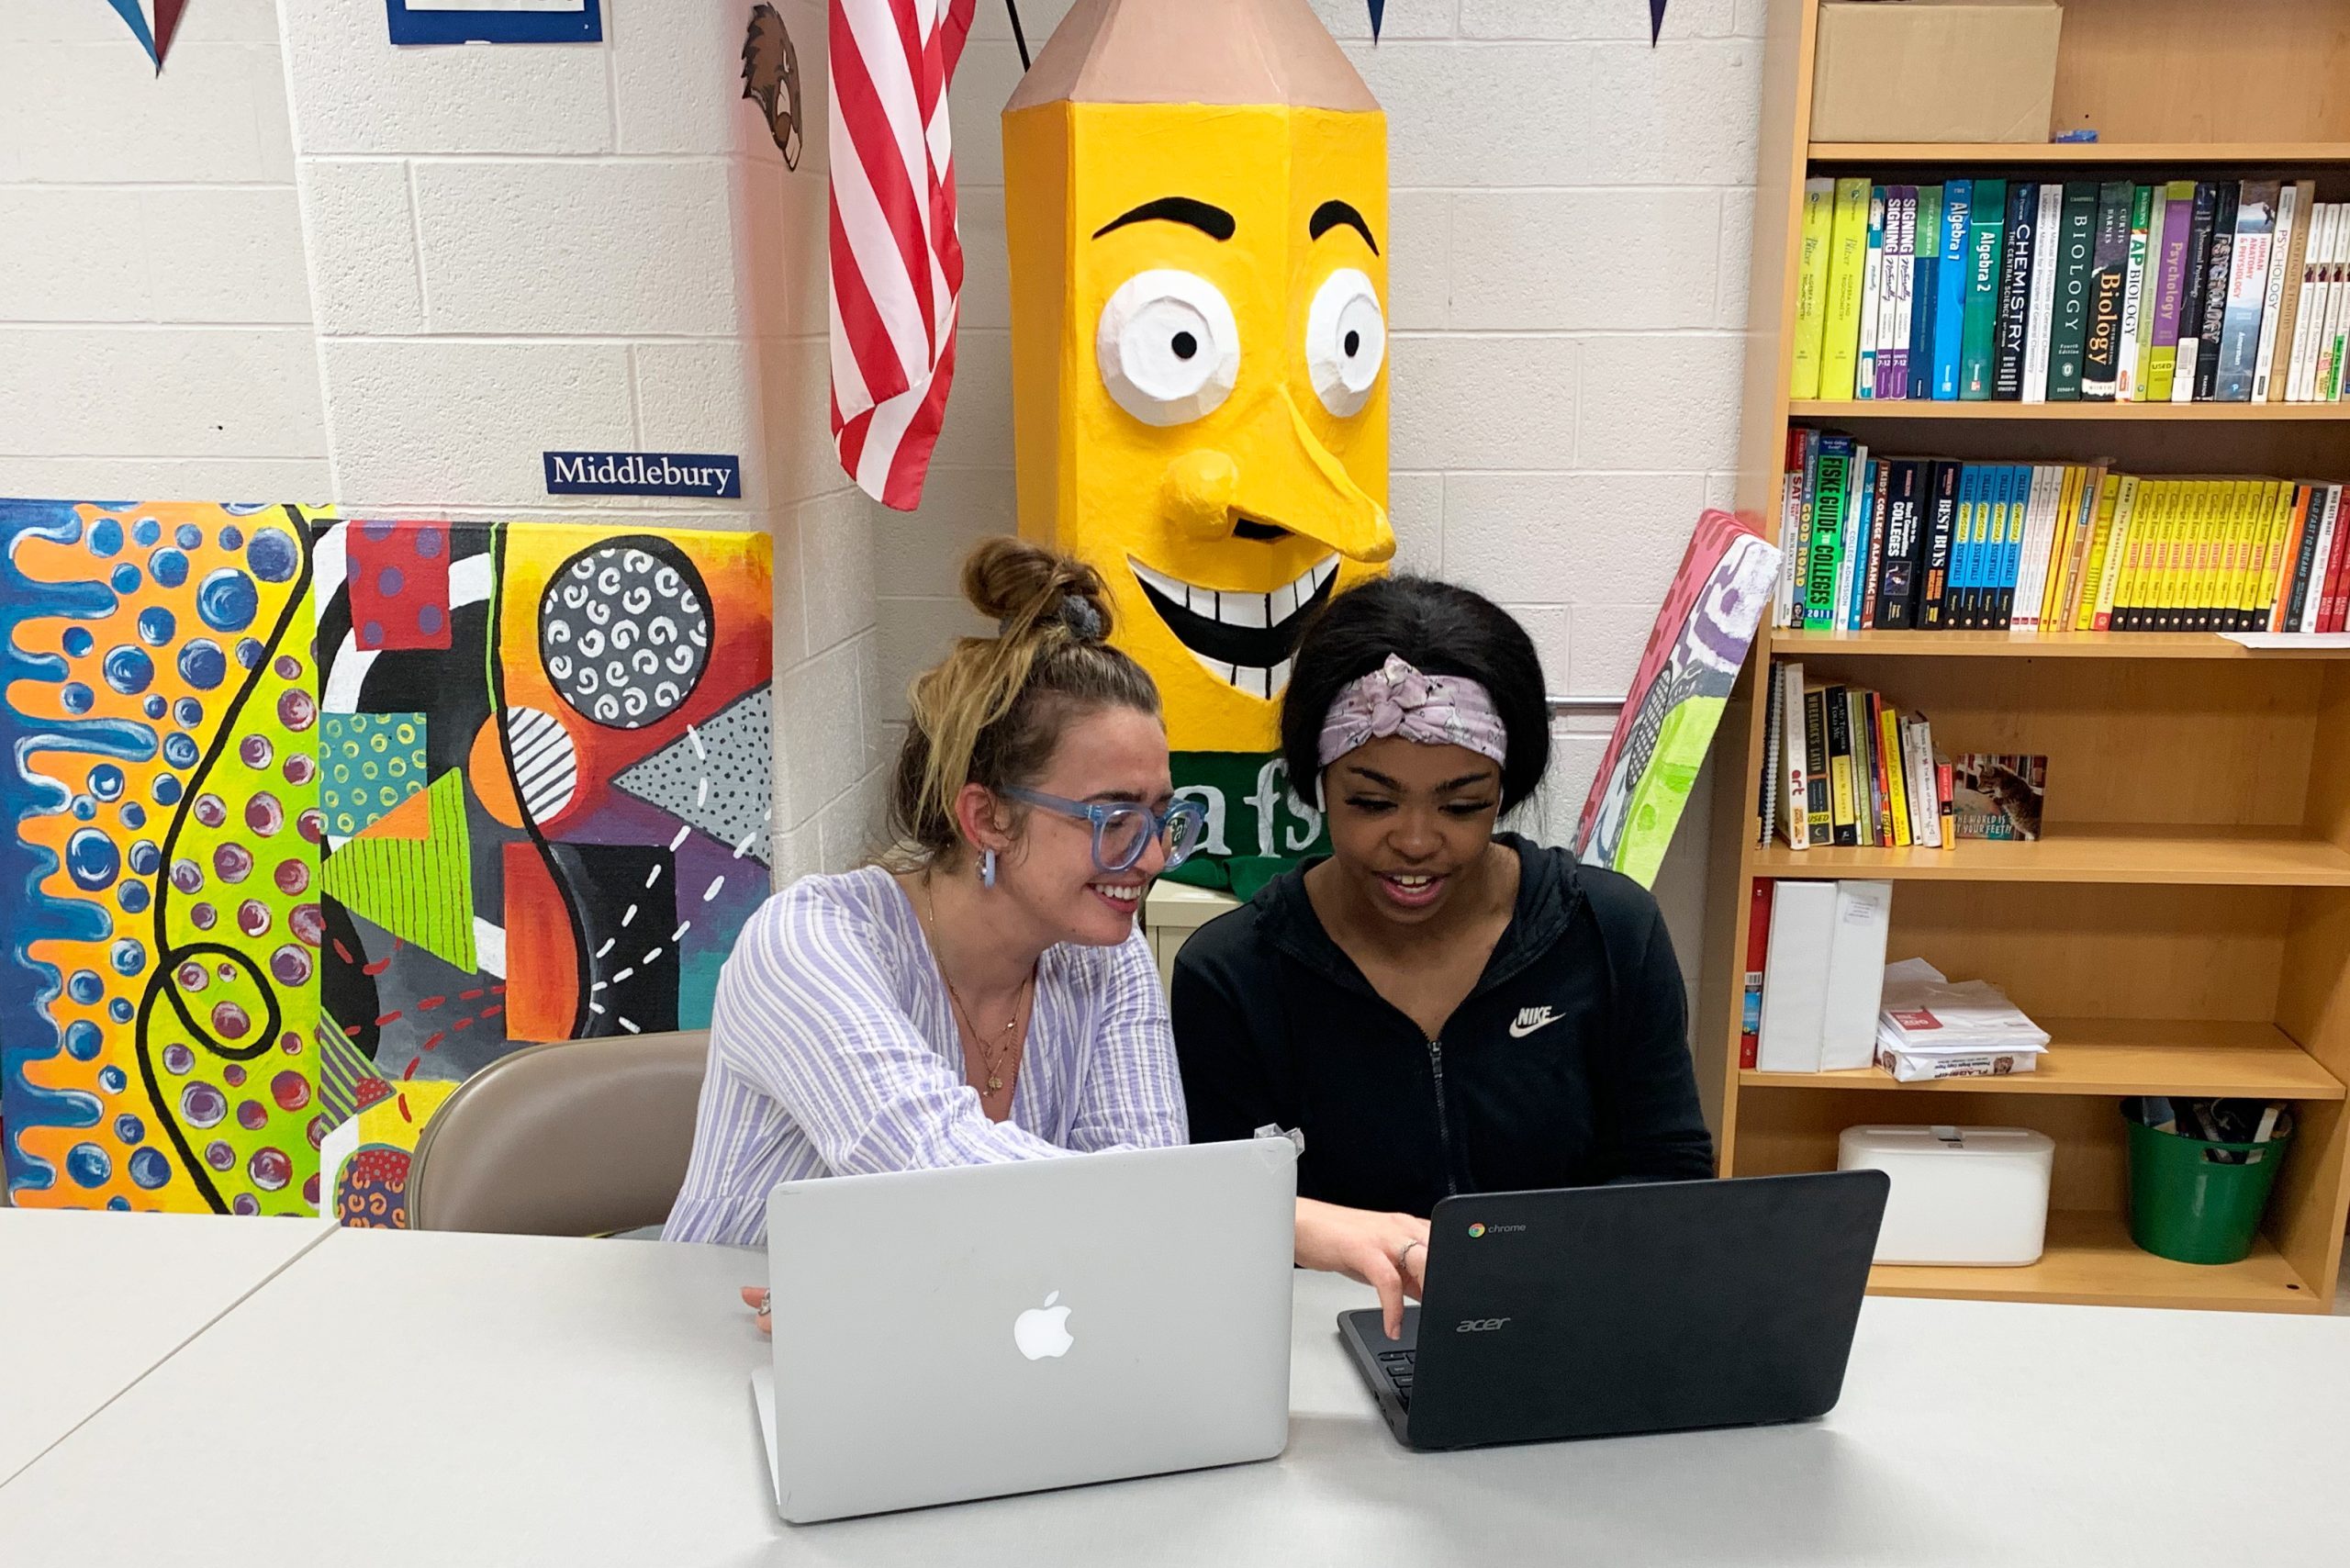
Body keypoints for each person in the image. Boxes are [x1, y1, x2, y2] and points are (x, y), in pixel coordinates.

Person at [663, 540, 1209, 1330]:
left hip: (932, 1343)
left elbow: (1144, 1204)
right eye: (1113, 818)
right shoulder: (808, 942)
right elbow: (931, 1160)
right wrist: (1283, 1221)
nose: (1153, 855)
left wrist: (897, 1290)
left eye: (1162, 816)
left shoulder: (1107, 957)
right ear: (986, 817)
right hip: (720, 1354)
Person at [1170, 575, 1715, 1338]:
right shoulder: (1233, 974)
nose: (1418, 842)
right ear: (1317, 784)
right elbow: (1213, 1221)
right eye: (1372, 802)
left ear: (1507, 789)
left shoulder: (1610, 931)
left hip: (1573, 1329)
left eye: (1463, 805)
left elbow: (1670, 1178)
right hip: (1320, 1364)